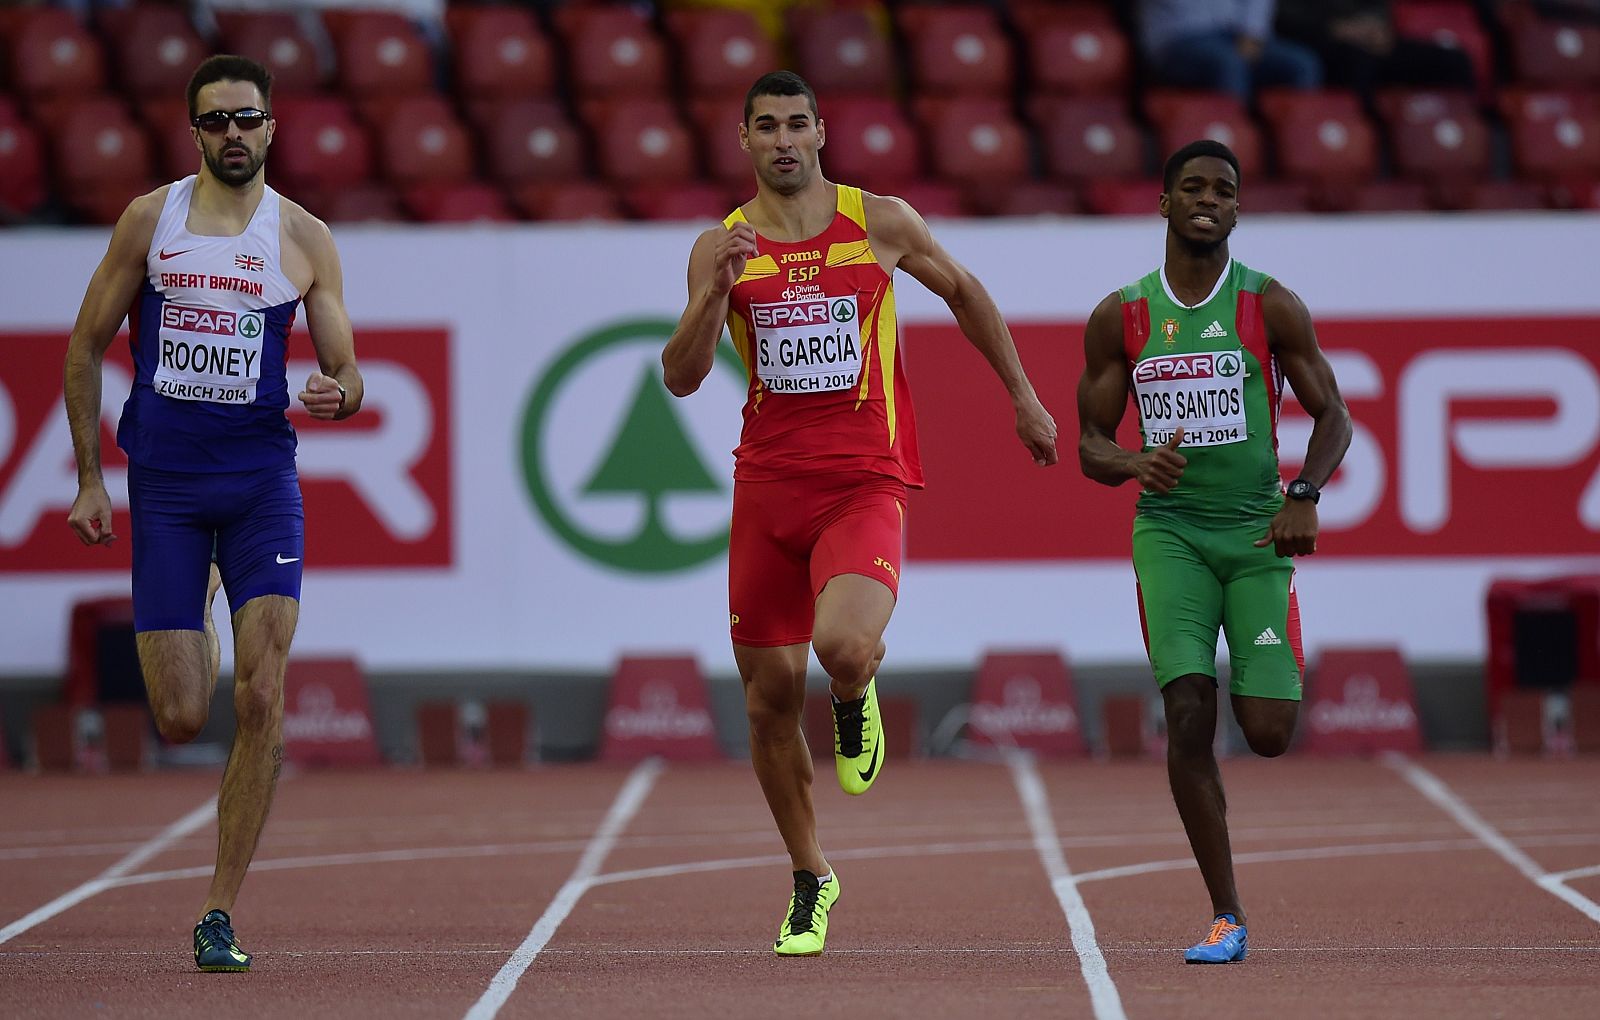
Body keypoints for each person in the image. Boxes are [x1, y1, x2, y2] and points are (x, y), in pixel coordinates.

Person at [662, 70, 1058, 957]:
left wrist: (1024, 399)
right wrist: (711, 295)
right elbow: (682, 376)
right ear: (745, 142)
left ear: (821, 132)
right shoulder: (718, 246)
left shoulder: (878, 221)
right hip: (766, 489)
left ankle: (853, 690)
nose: (783, 141)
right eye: (765, 128)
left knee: (841, 645)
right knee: (767, 701)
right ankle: (812, 879)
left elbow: (962, 291)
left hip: (864, 480)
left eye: (797, 124)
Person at [63, 54, 363, 973]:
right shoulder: (150, 223)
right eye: (216, 120)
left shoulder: (304, 237)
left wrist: (335, 393)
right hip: (166, 485)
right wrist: (88, 480)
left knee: (262, 695)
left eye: (248, 118)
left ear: (272, 127)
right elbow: (82, 349)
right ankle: (194, 600)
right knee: (185, 716)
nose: (233, 134)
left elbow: (349, 375)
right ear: (194, 132)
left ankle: (219, 910)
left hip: (261, 482)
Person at [1075, 140, 1351, 964]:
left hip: (1257, 532)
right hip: (1170, 534)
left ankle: (1256, 649)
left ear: (1237, 208)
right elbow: (1090, 443)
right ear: (1163, 204)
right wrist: (1130, 461)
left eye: (1223, 191)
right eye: (1191, 188)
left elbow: (1333, 414)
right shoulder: (1119, 316)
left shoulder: (1271, 305)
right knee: (1188, 712)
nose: (1207, 200)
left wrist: (1303, 495)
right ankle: (1226, 915)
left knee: (1266, 730)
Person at [1276, 0, 1477, 101]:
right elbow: (1282, 17)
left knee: (1453, 60)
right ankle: (1360, 139)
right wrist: (1336, 28)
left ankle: (1453, 132)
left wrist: (1378, 28)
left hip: (1372, 38)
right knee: (1357, 63)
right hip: (1324, 41)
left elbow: (1380, 8)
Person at [1137, 0, 1322, 104]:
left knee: (1301, 64)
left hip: (1235, 33)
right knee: (1229, 63)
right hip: (1181, 37)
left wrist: (1252, 32)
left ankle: (1300, 157)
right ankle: (1236, 150)